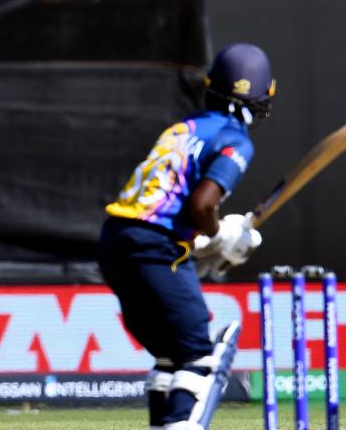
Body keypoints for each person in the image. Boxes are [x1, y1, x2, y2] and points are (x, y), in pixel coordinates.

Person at [98, 43, 276, 429]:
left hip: (114, 240)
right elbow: (200, 205)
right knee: (199, 352)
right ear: (263, 97)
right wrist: (219, 235)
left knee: (171, 353)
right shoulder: (236, 139)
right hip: (153, 244)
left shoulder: (186, 127)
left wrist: (199, 238)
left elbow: (167, 202)